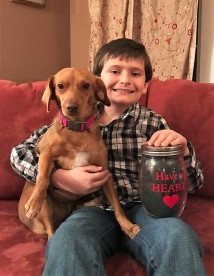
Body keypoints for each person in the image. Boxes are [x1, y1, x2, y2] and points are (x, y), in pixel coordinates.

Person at [10, 38, 206, 276]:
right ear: (98, 83)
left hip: (144, 209)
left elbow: (194, 183)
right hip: (91, 209)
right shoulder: (69, 121)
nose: (124, 79)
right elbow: (19, 154)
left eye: (135, 73)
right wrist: (58, 178)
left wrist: (183, 151)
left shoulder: (154, 123)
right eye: (115, 71)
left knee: (179, 237)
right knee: (66, 243)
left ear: (145, 84)